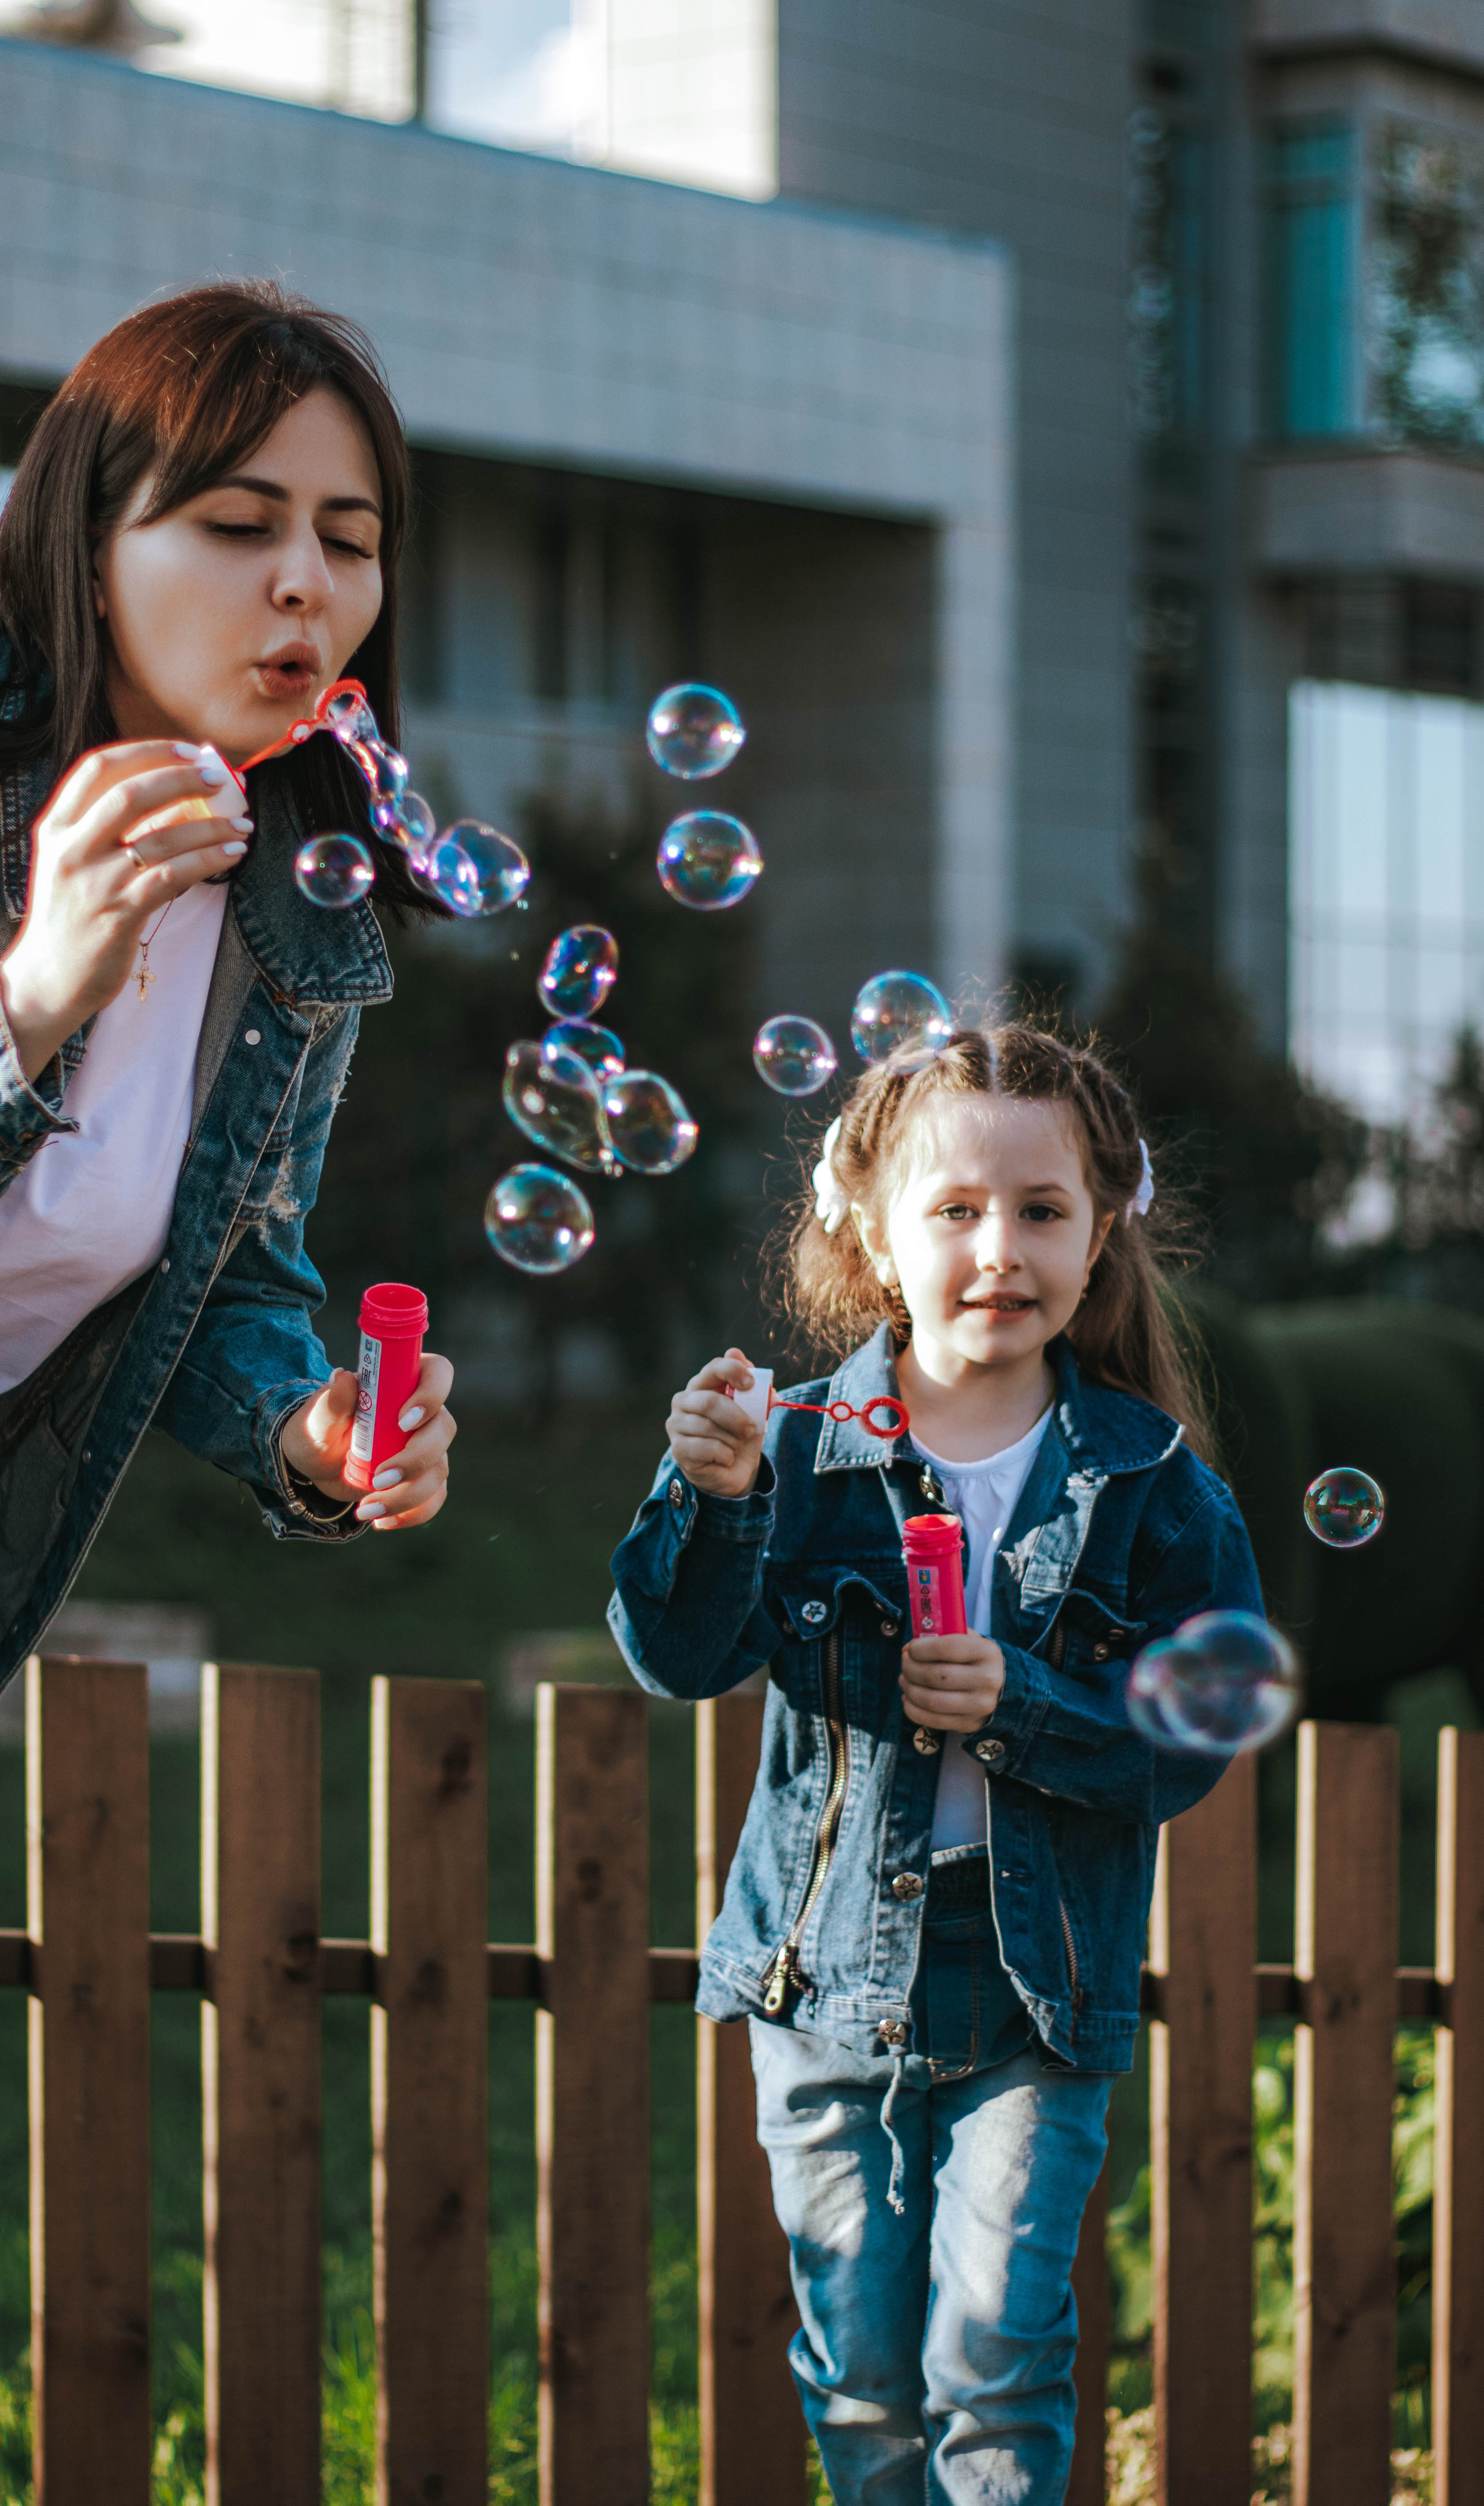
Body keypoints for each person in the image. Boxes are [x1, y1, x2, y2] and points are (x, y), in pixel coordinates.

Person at [0, 281, 457, 2491]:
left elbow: (229, 1262)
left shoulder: (297, 896)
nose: (306, 586)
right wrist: (31, 996)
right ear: (90, 535)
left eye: (350, 538)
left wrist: (306, 1423)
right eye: (240, 518)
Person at [608, 1021, 1262, 2505]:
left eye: (1040, 1211)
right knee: (860, 2381)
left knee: (994, 2357)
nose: (997, 1248)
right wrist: (704, 1497)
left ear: (1102, 1237)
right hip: (819, 1977)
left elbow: (1194, 1734)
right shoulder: (786, 1447)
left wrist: (1024, 1700)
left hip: (1032, 1983)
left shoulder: (1153, 1485)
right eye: (953, 1210)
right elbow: (675, 1657)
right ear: (874, 1236)